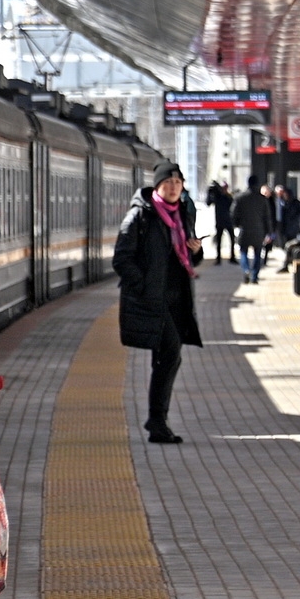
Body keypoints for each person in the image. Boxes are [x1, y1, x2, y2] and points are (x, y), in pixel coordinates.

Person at [113, 160, 203, 444]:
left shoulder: (184, 215)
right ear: (157, 186)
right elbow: (121, 258)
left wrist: (196, 251)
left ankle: (157, 420)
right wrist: (144, 286)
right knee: (171, 355)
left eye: (178, 183)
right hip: (154, 301)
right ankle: (157, 421)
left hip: (177, 300)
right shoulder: (140, 216)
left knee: (167, 359)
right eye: (168, 183)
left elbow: (188, 258)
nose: (174, 187)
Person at [231, 175, 272, 284]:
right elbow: (267, 217)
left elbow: (233, 214)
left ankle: (246, 269)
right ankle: (254, 276)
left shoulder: (240, 198)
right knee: (258, 254)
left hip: (244, 229)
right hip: (259, 230)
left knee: (243, 251)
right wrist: (269, 232)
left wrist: (236, 224)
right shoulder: (262, 199)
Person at [205, 179, 235, 263]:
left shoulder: (229, 197)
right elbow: (208, 203)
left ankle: (232, 257)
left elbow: (232, 206)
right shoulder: (217, 197)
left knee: (232, 240)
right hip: (220, 221)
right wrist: (209, 192)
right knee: (219, 240)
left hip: (229, 221)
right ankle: (218, 258)